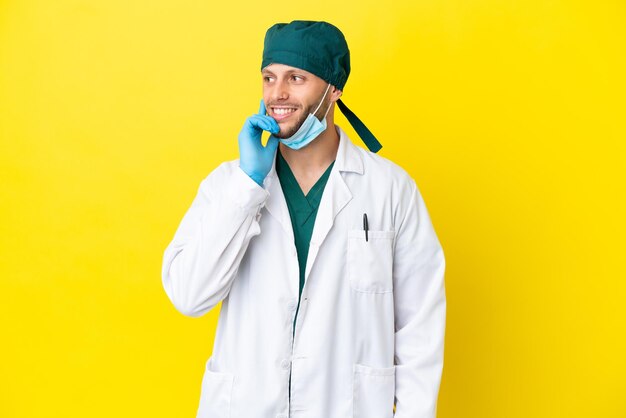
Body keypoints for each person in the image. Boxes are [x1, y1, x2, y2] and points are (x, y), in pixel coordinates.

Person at [162, 20, 446, 418]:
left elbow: (420, 329)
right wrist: (248, 186)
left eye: (296, 78)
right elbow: (189, 295)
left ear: (334, 89)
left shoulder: (390, 190)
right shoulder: (228, 185)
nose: (277, 94)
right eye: (269, 77)